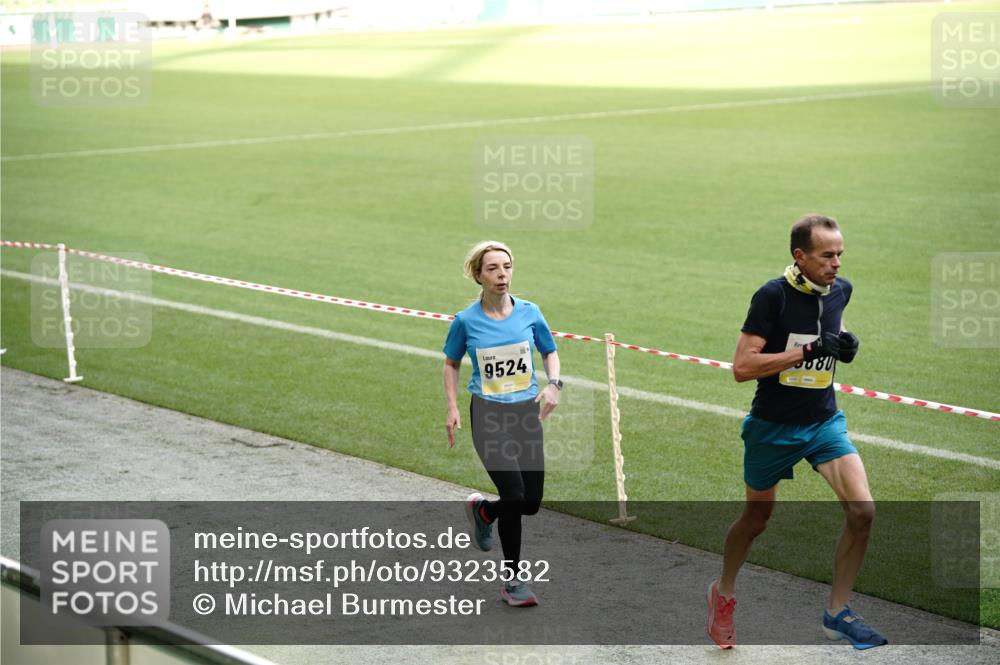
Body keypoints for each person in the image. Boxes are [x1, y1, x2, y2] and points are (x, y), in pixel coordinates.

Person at [707, 214, 887, 650]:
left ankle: (837, 613)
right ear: (800, 256)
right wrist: (807, 350)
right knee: (756, 520)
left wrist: (845, 341)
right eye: (827, 255)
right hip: (772, 427)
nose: (837, 264)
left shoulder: (841, 291)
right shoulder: (772, 296)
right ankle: (723, 592)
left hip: (824, 422)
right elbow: (742, 368)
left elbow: (831, 329)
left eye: (840, 254)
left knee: (862, 512)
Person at [442, 240, 561, 607]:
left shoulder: (529, 312)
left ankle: (484, 511)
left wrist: (554, 384)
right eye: (492, 268)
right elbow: (451, 362)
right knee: (514, 494)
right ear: (478, 275)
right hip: (489, 414)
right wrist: (452, 407)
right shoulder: (465, 320)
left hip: (525, 413)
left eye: (506, 267)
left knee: (530, 503)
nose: (502, 275)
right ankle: (514, 582)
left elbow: (549, 350)